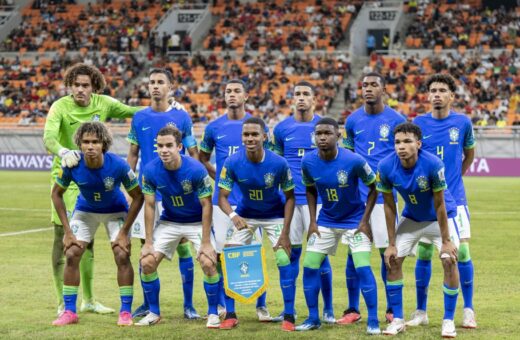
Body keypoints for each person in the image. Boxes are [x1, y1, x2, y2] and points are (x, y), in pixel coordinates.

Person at [43, 63, 141, 316]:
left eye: (85, 85)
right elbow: (49, 138)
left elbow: (135, 111)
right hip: (68, 172)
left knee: (90, 245)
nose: (79, 90)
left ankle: (88, 300)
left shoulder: (104, 103)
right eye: (75, 85)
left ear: (94, 87)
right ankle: (63, 303)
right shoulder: (59, 107)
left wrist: (166, 108)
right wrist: (64, 152)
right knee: (64, 240)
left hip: (96, 174)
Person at [51, 122, 144, 326]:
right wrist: (67, 231)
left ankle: (125, 312)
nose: (90, 146)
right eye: (85, 142)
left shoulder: (119, 165)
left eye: (95, 142)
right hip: (86, 211)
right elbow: (56, 194)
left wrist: (124, 232)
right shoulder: (71, 165)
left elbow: (138, 197)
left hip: (115, 211)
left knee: (121, 253)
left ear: (104, 144)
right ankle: (69, 311)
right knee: (72, 253)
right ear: (79, 144)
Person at [127, 68, 200, 320]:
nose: (155, 86)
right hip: (147, 191)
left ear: (171, 87)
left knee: (182, 246)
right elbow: (133, 153)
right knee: (145, 247)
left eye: (161, 82)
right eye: (152, 82)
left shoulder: (182, 116)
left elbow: (194, 154)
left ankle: (189, 304)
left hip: (174, 193)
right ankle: (149, 304)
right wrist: (130, 188)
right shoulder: (139, 117)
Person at [298, 117, 380, 334]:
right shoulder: (308, 162)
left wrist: (364, 221)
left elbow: (374, 188)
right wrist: (313, 222)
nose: (322, 137)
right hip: (326, 220)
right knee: (309, 266)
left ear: (338, 136)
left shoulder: (354, 160)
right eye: (319, 134)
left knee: (363, 267)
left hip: (354, 221)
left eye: (327, 133)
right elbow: (310, 189)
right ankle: (313, 317)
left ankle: (373, 320)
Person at [377, 122, 460, 337]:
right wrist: (391, 243)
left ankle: (448, 320)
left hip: (440, 218)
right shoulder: (386, 166)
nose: (401, 146)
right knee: (392, 260)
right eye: (397, 142)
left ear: (419, 144)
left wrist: (446, 240)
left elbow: (440, 204)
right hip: (412, 218)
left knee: (449, 260)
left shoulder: (433, 164)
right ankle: (397, 320)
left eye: (407, 141)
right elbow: (388, 205)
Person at [199, 79, 270, 321]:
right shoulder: (213, 127)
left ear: (246, 95)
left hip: (252, 202)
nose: (231, 94)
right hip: (224, 202)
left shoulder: (256, 124)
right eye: (228, 91)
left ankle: (261, 306)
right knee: (220, 254)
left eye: (236, 91)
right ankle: (222, 306)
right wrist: (217, 176)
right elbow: (203, 157)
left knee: (255, 253)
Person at [135, 126, 220, 328]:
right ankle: (154, 312)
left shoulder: (196, 169)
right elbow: (148, 205)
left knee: (208, 263)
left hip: (197, 222)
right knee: (146, 262)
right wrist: (147, 242)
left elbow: (207, 205)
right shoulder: (150, 170)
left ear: (179, 147)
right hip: (170, 221)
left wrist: (206, 242)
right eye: (160, 146)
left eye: (169, 146)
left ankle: (213, 313)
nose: (164, 150)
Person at [217, 117, 296, 331]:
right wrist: (233, 216)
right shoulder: (232, 162)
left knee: (282, 258)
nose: (249, 138)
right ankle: (230, 314)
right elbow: (222, 196)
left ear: (264, 136)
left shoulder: (279, 163)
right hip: (246, 215)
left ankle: (289, 315)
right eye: (246, 134)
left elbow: (290, 197)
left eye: (254, 134)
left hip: (274, 215)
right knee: (230, 256)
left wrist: (286, 232)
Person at [410, 74, 476, 329]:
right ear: (428, 95)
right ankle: (420, 311)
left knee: (462, 252)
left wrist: (455, 180)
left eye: (442, 90)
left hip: (455, 200)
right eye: (433, 90)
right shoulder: (418, 123)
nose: (436, 94)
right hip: (426, 202)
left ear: (451, 95)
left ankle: (468, 309)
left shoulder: (462, 122)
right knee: (425, 253)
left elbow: (469, 154)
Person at [342, 72, 406, 324]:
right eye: (364, 85)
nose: (368, 88)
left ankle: (391, 309)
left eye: (373, 85)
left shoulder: (396, 120)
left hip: (383, 199)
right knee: (353, 253)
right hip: (356, 199)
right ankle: (352, 309)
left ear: (383, 89)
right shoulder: (352, 120)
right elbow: (345, 159)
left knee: (386, 252)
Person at [271, 81, 334, 324]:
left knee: (320, 256)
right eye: (297, 94)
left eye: (306, 94)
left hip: (317, 202)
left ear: (314, 100)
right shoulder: (282, 129)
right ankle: (289, 310)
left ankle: (327, 309)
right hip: (290, 201)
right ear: (292, 98)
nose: (301, 98)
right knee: (291, 254)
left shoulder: (323, 127)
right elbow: (276, 164)